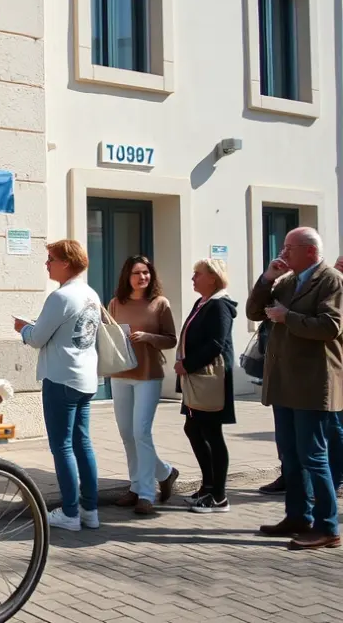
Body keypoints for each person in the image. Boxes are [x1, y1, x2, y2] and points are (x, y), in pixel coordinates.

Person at [248, 228, 343, 549]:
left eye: (290, 248)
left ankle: (328, 526)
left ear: (311, 252)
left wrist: (289, 317)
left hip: (313, 382)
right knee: (290, 456)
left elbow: (330, 327)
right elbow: (253, 312)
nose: (283, 253)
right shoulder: (287, 280)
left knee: (314, 456)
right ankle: (298, 516)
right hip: (284, 381)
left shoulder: (330, 280)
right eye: (283, 247)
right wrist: (266, 279)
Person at [15, 239, 101, 532]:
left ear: (66, 262)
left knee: (62, 446)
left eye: (51, 258)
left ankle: (69, 512)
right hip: (86, 376)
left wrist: (23, 329)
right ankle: (90, 509)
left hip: (61, 376)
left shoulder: (61, 297)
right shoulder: (91, 294)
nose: (47, 263)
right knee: (82, 442)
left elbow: (37, 338)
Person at [107, 256, 180, 515]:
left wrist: (149, 337)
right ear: (128, 276)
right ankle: (146, 481)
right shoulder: (116, 303)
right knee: (127, 434)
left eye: (146, 273)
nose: (142, 277)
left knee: (141, 432)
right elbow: (108, 336)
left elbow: (171, 340)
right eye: (137, 273)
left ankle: (147, 494)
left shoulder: (160, 304)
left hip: (148, 375)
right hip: (120, 374)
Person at [176, 258, 237, 514]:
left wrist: (188, 364)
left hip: (210, 380)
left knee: (212, 434)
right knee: (193, 428)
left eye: (197, 274)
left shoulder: (219, 305)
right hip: (196, 380)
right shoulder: (202, 302)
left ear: (212, 277)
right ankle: (208, 486)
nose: (193, 278)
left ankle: (219, 496)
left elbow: (215, 343)